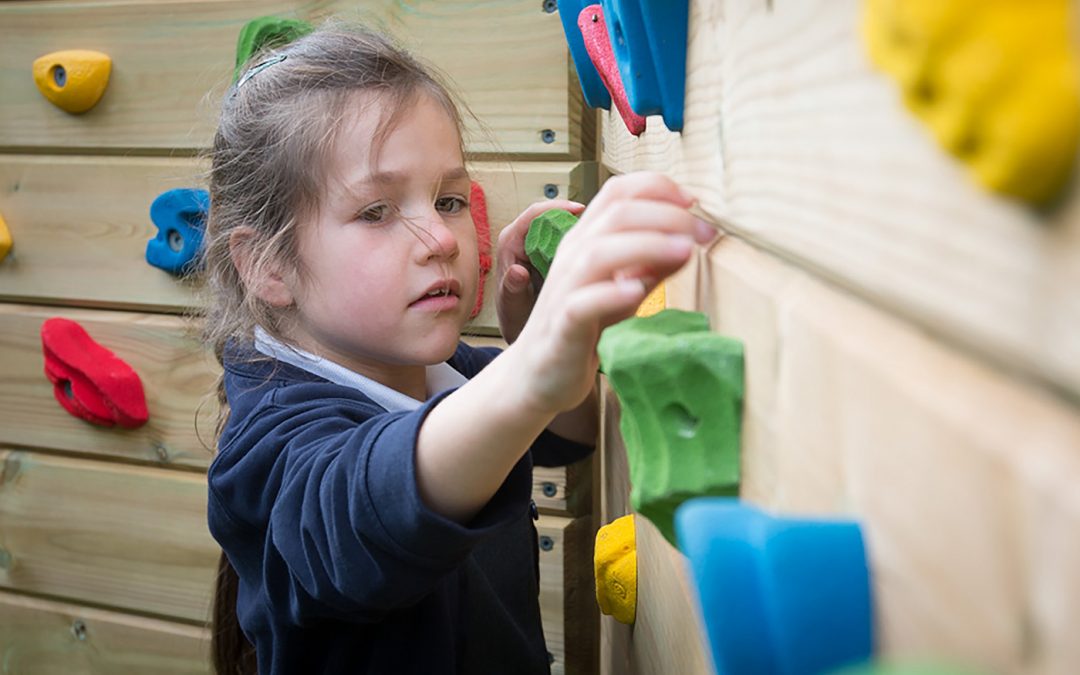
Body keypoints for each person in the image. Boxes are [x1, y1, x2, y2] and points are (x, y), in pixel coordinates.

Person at [202, 23, 714, 675]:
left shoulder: (434, 370)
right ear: (267, 266)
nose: (442, 239)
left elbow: (573, 431)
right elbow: (361, 512)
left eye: (448, 200)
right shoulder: (269, 445)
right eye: (376, 211)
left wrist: (537, 336)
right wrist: (531, 369)